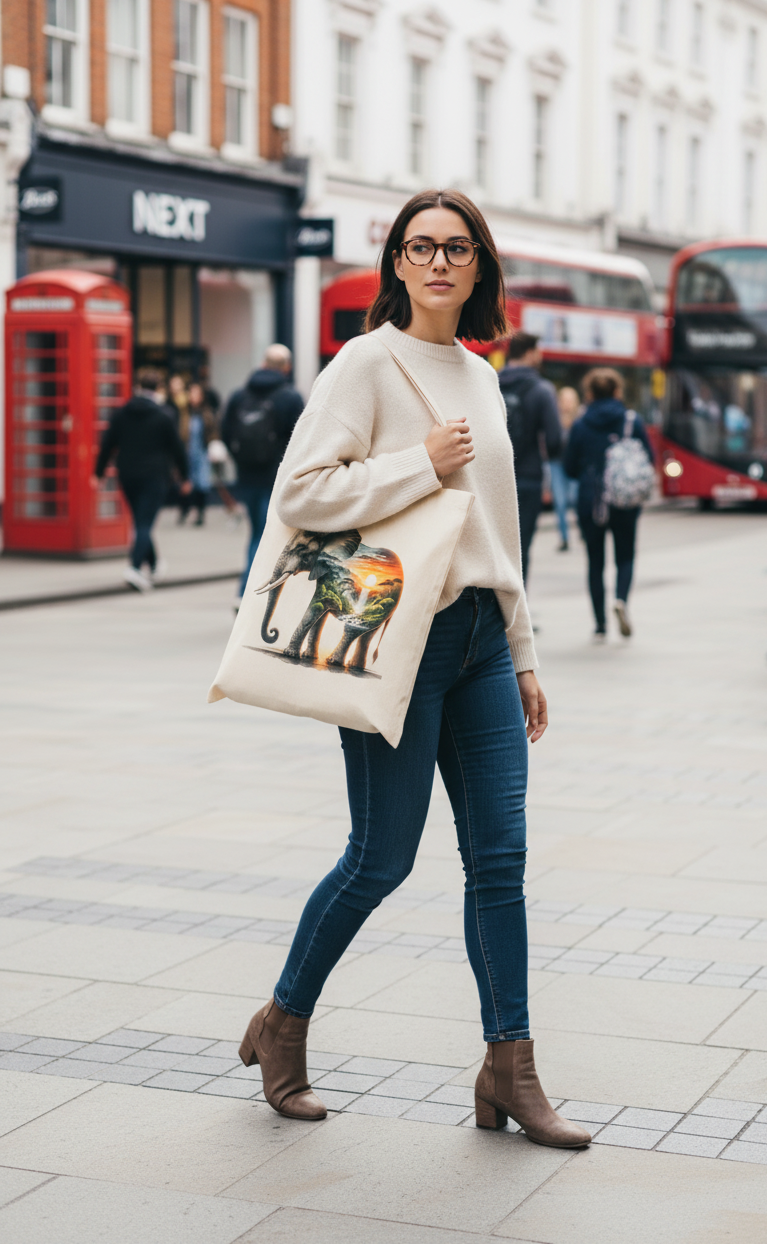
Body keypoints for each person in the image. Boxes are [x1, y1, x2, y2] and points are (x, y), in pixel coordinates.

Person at [237, 188, 591, 1152]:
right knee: (381, 858)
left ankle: (508, 1069)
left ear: (480, 266)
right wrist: (418, 465)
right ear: (397, 262)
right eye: (420, 246)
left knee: (501, 863)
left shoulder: (482, 374)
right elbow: (301, 494)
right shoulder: (365, 363)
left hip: (480, 638)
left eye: (457, 248)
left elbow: (502, 530)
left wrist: (522, 656)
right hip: (399, 637)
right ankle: (284, 1021)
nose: (438, 262)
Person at [564, 367, 654, 640]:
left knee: (595, 561)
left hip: (591, 501)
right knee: (625, 556)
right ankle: (621, 600)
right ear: (617, 391)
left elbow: (569, 467)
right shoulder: (631, 420)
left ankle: (600, 625)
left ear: (589, 393)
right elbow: (648, 458)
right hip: (624, 499)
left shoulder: (580, 424)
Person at [93, 368, 190, 591]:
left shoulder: (121, 413)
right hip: (154, 476)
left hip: (127, 474)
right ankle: (135, 568)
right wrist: (185, 477)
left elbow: (107, 444)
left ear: (137, 386)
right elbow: (177, 450)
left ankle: (154, 565)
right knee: (144, 523)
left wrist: (98, 473)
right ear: (157, 389)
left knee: (140, 521)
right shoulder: (164, 415)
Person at [223, 343, 304, 601]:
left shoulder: (239, 396)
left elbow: (225, 432)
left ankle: (253, 592)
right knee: (265, 535)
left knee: (257, 532)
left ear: (262, 364)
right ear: (287, 368)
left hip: (246, 477)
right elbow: (301, 439)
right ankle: (248, 593)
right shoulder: (290, 397)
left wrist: (240, 460)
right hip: (276, 478)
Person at [498, 333, 562, 584]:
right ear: (529, 353)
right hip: (527, 479)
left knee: (495, 548)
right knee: (521, 549)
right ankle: (517, 617)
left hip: (492, 478)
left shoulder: (490, 382)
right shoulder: (541, 390)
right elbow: (555, 439)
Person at [178, 381, 216, 526]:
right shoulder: (184, 413)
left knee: (201, 484)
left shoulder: (206, 413)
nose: (193, 396)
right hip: (187, 453)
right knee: (185, 483)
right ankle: (184, 510)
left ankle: (200, 514)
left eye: (196, 393)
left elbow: (213, 432)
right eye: (191, 393)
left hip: (202, 452)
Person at [550, 386, 581, 551]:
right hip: (556, 463)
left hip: (574, 464)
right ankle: (564, 538)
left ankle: (582, 530)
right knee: (560, 502)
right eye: (564, 400)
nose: (567, 404)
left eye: (570, 400)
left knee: (575, 499)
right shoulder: (553, 417)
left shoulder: (580, 418)